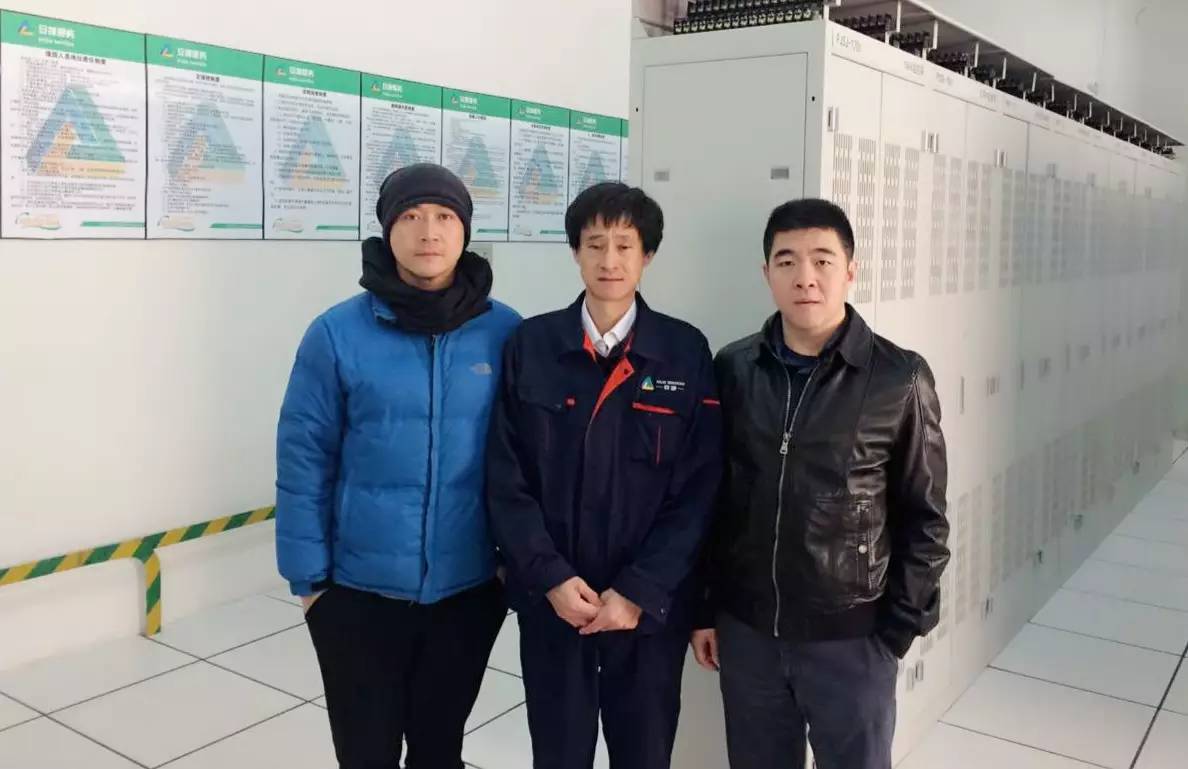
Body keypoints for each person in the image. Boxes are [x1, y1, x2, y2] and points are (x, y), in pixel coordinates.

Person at [274, 163, 520, 769]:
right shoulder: (336, 333)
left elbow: (526, 459)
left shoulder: (505, 332)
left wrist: (512, 568)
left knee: (439, 749)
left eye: (444, 216)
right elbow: (304, 457)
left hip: (468, 590)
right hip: (356, 594)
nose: (428, 232)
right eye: (410, 216)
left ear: (465, 230)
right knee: (366, 753)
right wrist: (311, 585)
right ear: (387, 230)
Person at [691, 199, 950, 769]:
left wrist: (895, 631)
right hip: (749, 632)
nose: (804, 277)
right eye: (786, 261)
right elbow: (713, 501)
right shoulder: (734, 368)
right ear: (766, 273)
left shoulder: (898, 378)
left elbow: (926, 520)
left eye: (822, 260)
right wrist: (706, 608)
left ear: (850, 270)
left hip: (851, 640)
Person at [486, 182, 723, 769]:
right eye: (595, 245)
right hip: (554, 605)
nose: (609, 261)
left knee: (643, 754)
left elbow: (700, 489)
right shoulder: (532, 345)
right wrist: (550, 578)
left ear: (648, 255)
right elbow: (505, 477)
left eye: (625, 245)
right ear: (575, 252)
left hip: (647, 613)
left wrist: (640, 589)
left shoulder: (684, 351)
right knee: (558, 753)